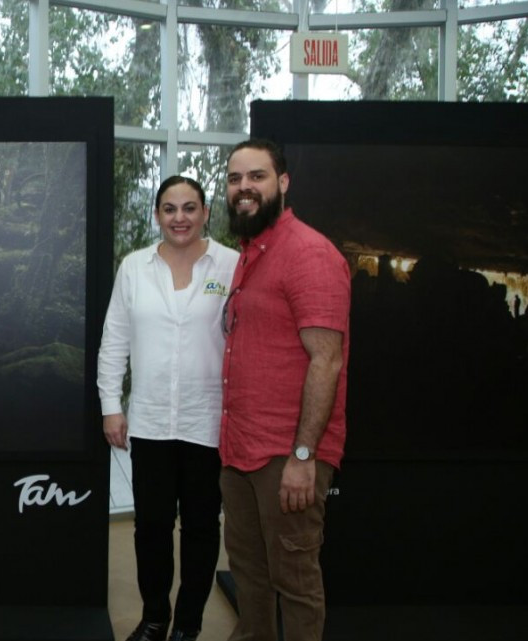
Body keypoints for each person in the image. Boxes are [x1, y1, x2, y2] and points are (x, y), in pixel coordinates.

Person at [218, 139, 351, 641]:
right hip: (241, 451)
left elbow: (327, 360)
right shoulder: (251, 254)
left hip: (287, 456)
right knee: (250, 577)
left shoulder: (309, 253)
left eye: (257, 176)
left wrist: (302, 456)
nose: (244, 188)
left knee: (294, 583)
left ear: (283, 183)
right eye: (235, 179)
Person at [99, 176, 239, 641]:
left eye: (189, 208)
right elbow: (114, 340)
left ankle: (189, 625)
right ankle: (155, 617)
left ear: (205, 213)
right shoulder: (134, 267)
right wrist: (110, 406)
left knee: (201, 528)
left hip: (209, 422)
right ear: (156, 214)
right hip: (152, 422)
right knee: (152, 528)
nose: (179, 217)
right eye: (169, 208)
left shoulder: (233, 266)